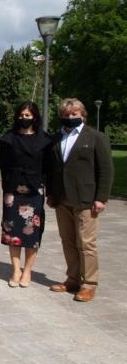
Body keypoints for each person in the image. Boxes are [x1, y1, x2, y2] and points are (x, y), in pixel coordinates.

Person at [46, 98, 114, 302]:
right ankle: (73, 279)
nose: (70, 117)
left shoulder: (95, 137)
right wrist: (50, 193)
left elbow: (106, 170)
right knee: (68, 241)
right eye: (66, 115)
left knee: (86, 243)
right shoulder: (57, 138)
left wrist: (101, 198)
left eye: (74, 114)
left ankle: (89, 283)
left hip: (86, 199)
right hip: (62, 198)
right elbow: (53, 169)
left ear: (82, 115)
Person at [0, 101, 52, 287]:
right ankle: (16, 269)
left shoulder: (45, 140)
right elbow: (3, 165)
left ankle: (27, 270)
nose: (24, 118)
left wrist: (47, 189)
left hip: (35, 191)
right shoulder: (8, 138)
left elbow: (49, 168)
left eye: (28, 115)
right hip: (13, 191)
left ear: (35, 117)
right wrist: (9, 186)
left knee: (32, 232)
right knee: (13, 231)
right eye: (21, 115)